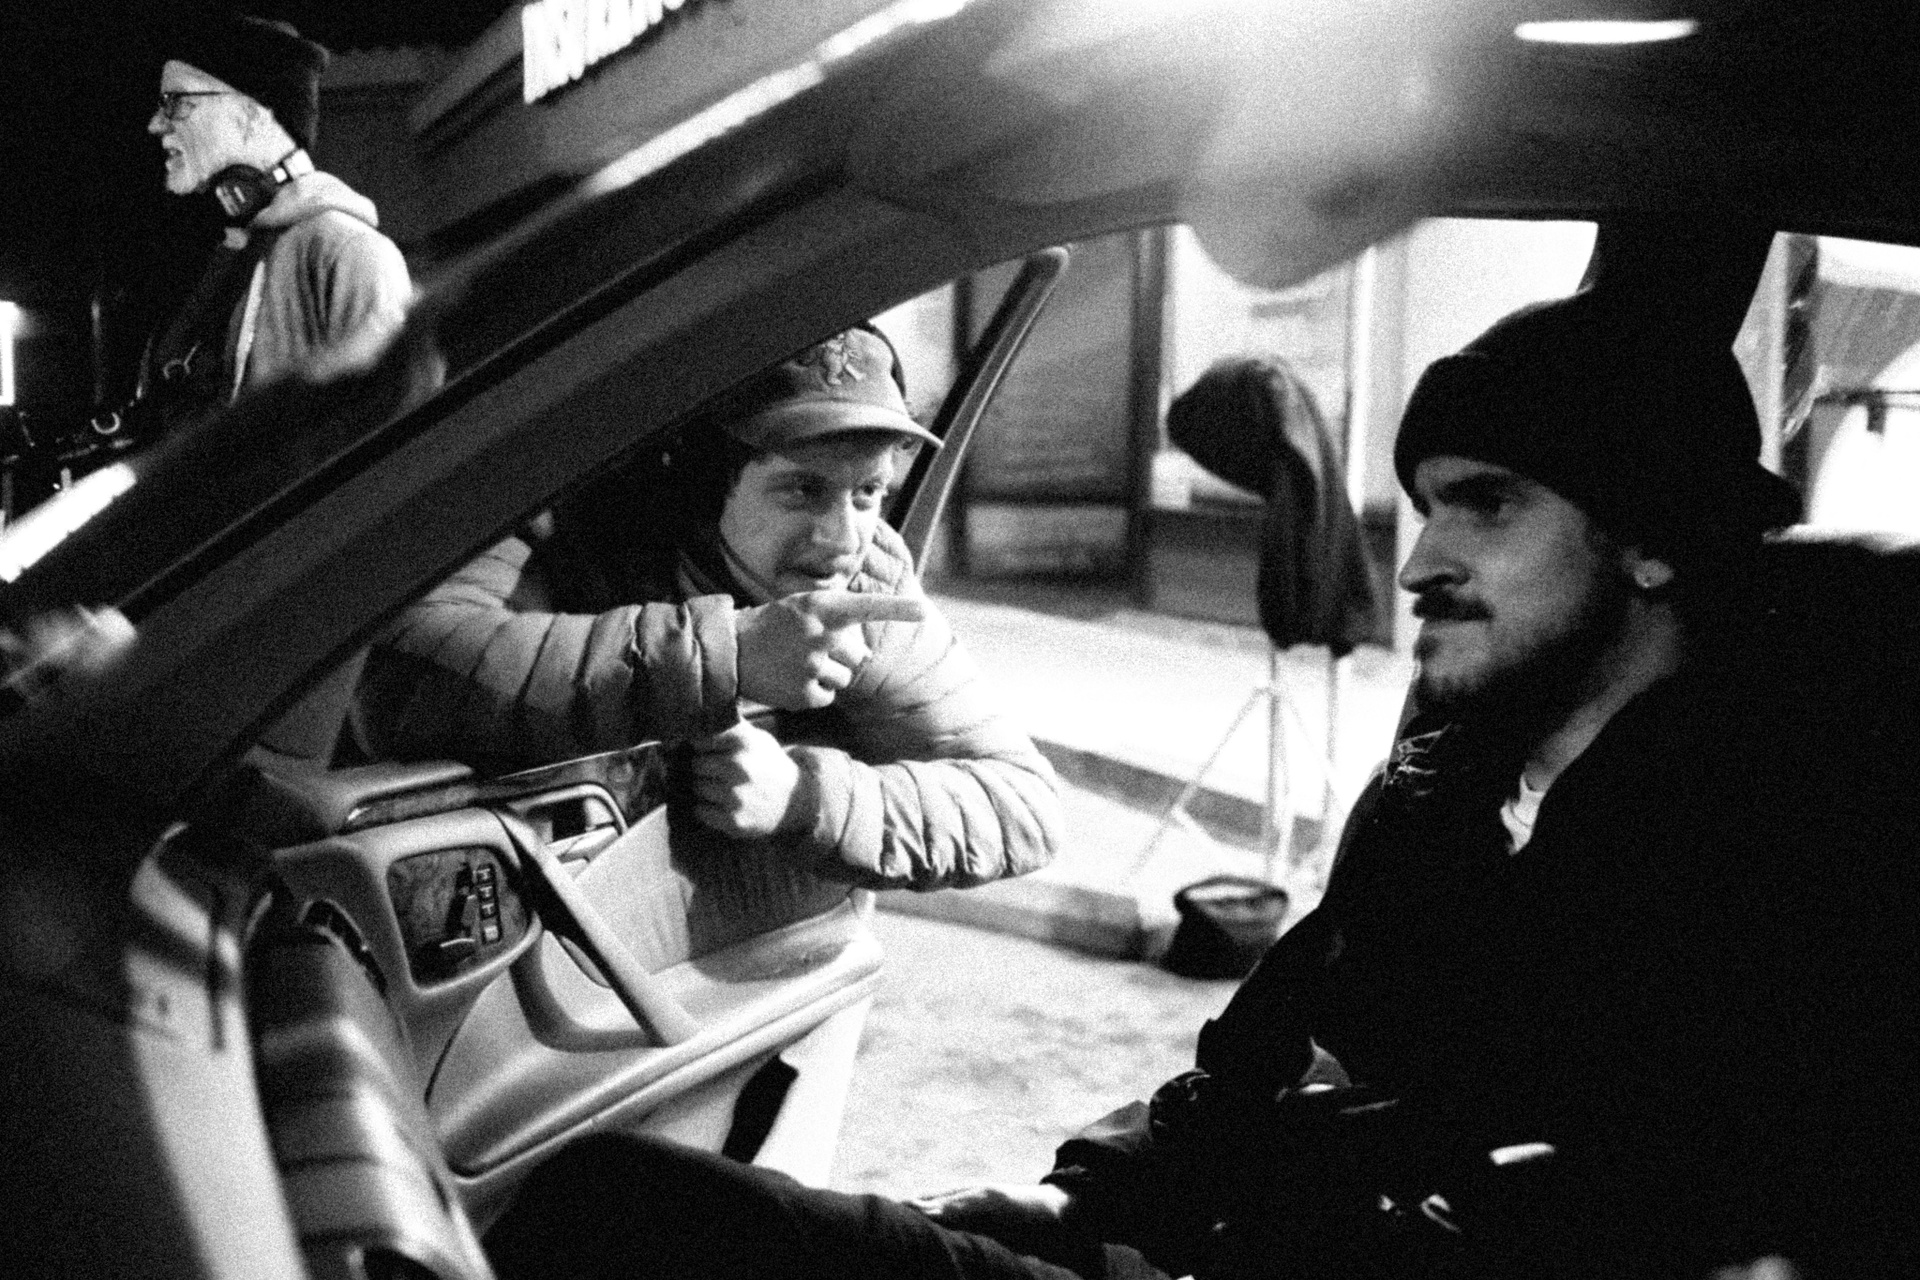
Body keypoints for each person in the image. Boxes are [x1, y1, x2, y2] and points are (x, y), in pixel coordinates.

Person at [481, 290, 1918, 1280]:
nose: (1421, 560)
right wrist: (1081, 1196)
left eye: (1489, 504)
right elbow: (1257, 1069)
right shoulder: (1440, 795)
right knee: (606, 1204)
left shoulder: (1776, 872)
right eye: (1426, 506)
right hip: (1171, 1247)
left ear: (1653, 538)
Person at [357, 325, 1060, 891]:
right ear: (705, 482)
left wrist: (805, 798)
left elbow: (1022, 805)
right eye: (802, 491)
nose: (843, 538)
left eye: (868, 493)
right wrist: (728, 653)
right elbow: (404, 678)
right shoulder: (580, 534)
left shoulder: (869, 589)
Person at [137, 14, 411, 442]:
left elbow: (397, 444)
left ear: (252, 114)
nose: (156, 124)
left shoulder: (349, 252)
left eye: (176, 102)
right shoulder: (233, 251)